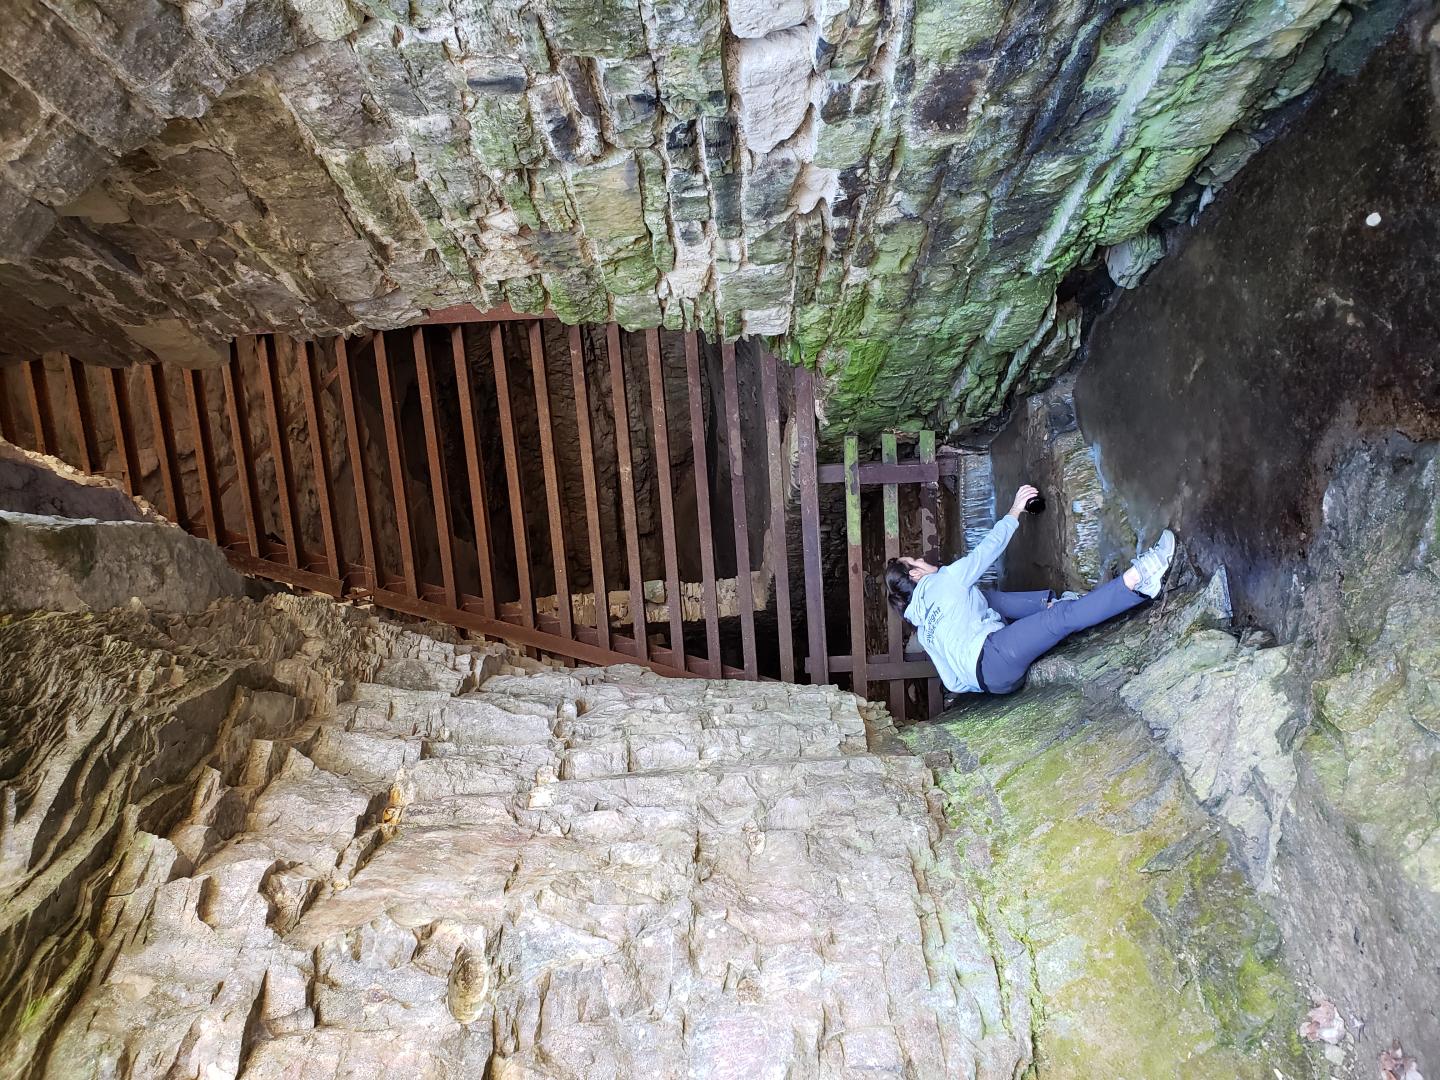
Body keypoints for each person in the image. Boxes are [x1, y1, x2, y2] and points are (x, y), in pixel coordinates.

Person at [884, 484, 1176, 696]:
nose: (923, 559)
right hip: (998, 654)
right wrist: (1015, 510)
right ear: (916, 574)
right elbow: (987, 551)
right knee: (1061, 618)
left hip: (990, 681)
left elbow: (952, 683)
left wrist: (981, 668)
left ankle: (1047, 604)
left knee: (981, 597)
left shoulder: (924, 629)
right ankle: (1140, 581)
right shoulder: (943, 581)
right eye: (916, 560)